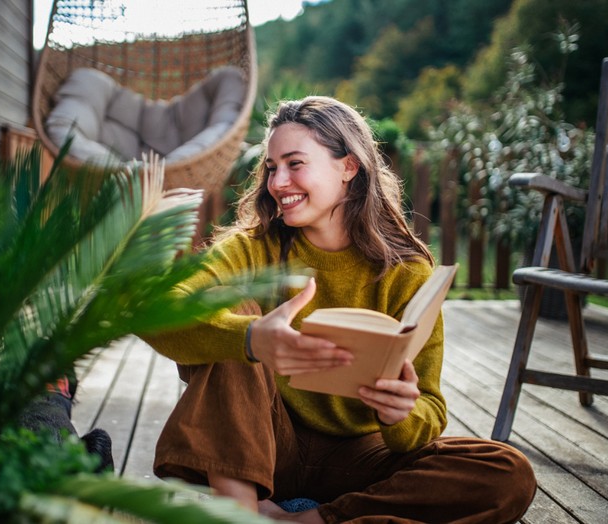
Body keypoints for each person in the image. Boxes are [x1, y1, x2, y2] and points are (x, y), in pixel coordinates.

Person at [143, 96, 536, 523]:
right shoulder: (251, 249)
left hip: (362, 459)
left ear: (348, 167)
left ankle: (313, 519)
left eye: (295, 164)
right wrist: (251, 338)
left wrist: (401, 412)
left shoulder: (407, 271)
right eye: (272, 168)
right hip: (265, 449)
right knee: (235, 309)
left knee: (507, 473)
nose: (278, 182)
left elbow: (429, 410)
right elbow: (160, 312)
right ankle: (242, 514)